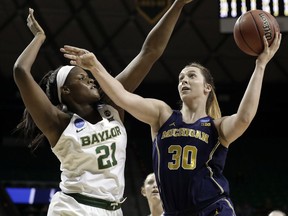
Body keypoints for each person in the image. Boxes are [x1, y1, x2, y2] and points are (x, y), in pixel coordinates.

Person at [61, 26, 282, 215]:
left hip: (212, 208)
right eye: (181, 78)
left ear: (207, 87)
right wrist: (95, 66)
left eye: (191, 76)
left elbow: (244, 118)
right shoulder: (162, 115)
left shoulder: (216, 127)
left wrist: (260, 65)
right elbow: (122, 96)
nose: (184, 80)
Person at [13, 1, 193, 215]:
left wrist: (178, 4)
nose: (90, 81)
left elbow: (150, 52)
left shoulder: (113, 105)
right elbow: (21, 71)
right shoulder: (57, 122)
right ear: (66, 91)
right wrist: (39, 38)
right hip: (73, 208)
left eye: (89, 76)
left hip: (113, 209)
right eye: (81, 78)